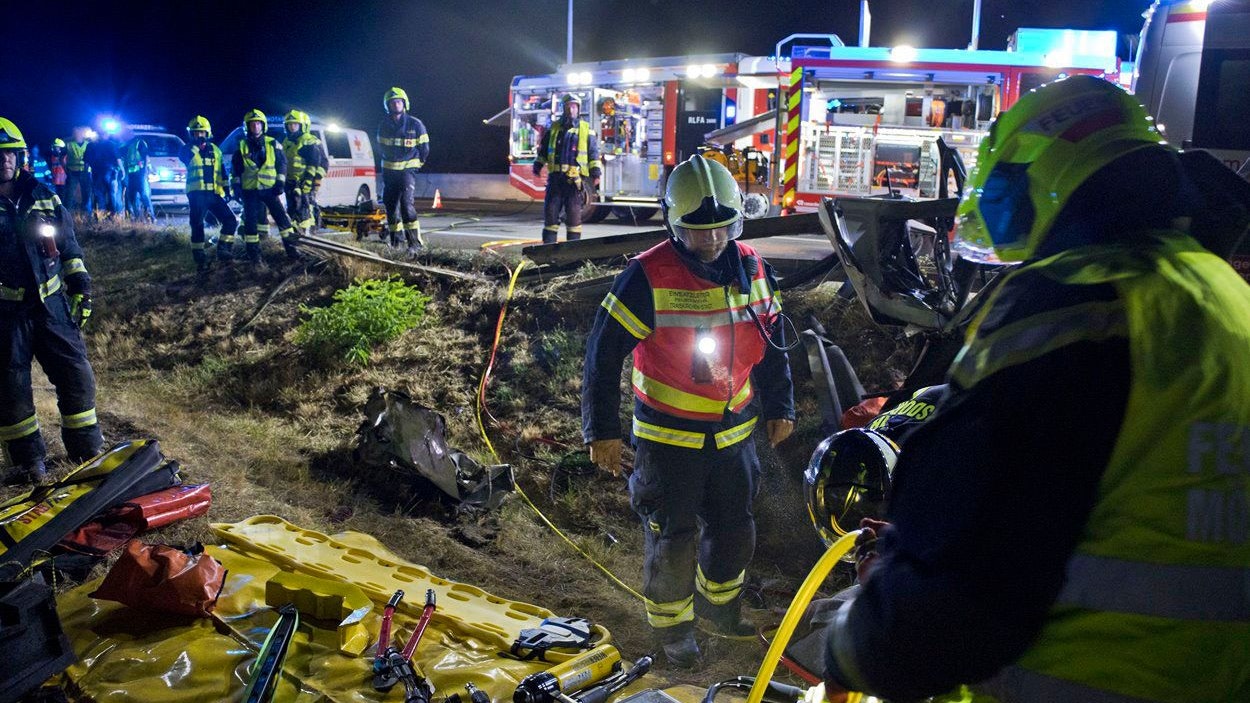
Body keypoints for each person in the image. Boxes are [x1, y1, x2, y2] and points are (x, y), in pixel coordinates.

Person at [821, 76, 1250, 702]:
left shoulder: (1076, 306)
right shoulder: (1218, 295)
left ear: (1052, 180)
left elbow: (965, 587)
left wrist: (856, 643)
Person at [582, 154, 795, 668]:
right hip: (667, 442)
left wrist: (781, 404)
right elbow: (602, 353)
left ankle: (721, 612)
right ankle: (673, 630)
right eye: (700, 232)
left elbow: (775, 340)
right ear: (675, 225)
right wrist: (602, 432)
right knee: (672, 537)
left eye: (723, 229)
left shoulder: (753, 267)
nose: (713, 241)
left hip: (734, 437)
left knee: (734, 530)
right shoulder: (645, 275)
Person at [0, 117, 103, 485]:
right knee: (10, 389)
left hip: (52, 305)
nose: (5, 160)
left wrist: (81, 286)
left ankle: (86, 450)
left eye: (10, 153)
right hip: (6, 314)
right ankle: (29, 462)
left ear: (20, 156)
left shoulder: (44, 194)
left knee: (76, 376)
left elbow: (69, 246)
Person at [231, 109, 297, 264]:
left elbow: (282, 164)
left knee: (283, 222)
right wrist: (236, 188)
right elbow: (236, 171)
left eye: (258, 123)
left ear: (263, 126)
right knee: (250, 226)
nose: (255, 127)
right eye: (252, 124)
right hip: (250, 191)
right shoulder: (241, 147)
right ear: (247, 126)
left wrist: (280, 182)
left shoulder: (273, 144)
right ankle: (255, 258)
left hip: (270, 190)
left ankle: (293, 252)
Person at [533, 94, 601, 244]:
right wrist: (537, 165)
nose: (571, 109)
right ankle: (548, 252)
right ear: (563, 108)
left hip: (574, 182)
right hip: (555, 180)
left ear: (578, 109)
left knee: (574, 219)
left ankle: (572, 253)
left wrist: (596, 173)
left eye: (574, 106)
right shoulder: (554, 128)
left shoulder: (585, 129)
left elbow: (593, 153)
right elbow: (544, 150)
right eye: (569, 106)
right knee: (551, 216)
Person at [179, 116, 238, 273]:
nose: (199, 135)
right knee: (197, 224)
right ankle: (200, 257)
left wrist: (227, 190)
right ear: (192, 134)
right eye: (196, 133)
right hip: (197, 194)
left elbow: (222, 172)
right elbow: (185, 159)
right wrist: (196, 147)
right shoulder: (187, 149)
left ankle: (223, 250)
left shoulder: (215, 150)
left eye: (202, 132)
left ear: (208, 133)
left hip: (214, 194)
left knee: (231, 221)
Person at [377, 87, 429, 256]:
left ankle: (415, 244)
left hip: (406, 173)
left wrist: (416, 165)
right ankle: (396, 242)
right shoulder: (384, 125)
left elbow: (424, 149)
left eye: (398, 102)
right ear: (388, 106)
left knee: (407, 206)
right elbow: (381, 147)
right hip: (389, 174)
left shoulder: (415, 124)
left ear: (404, 104)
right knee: (391, 207)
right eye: (392, 102)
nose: (396, 105)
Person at [282, 110, 326, 238]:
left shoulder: (308, 141)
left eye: (295, 124)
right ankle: (298, 234)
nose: (292, 127)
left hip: (304, 182)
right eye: (290, 124)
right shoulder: (286, 142)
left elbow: (316, 164)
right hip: (290, 182)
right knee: (293, 209)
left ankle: (308, 234)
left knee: (305, 207)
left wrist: (311, 181)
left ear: (303, 125)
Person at [84, 132, 122, 221]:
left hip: (96, 173)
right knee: (112, 194)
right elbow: (118, 159)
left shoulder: (91, 145)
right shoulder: (112, 144)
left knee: (99, 195)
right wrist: (122, 171)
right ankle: (113, 216)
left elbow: (86, 162)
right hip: (111, 172)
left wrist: (86, 174)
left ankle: (102, 216)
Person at [122, 131, 155, 222]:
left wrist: (144, 172)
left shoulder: (139, 143)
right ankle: (138, 218)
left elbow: (146, 158)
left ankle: (151, 217)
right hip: (131, 175)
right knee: (132, 196)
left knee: (144, 195)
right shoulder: (127, 145)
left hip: (140, 174)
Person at [65, 129, 92, 215]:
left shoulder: (88, 144)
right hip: (73, 171)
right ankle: (67, 213)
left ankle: (87, 213)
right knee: (70, 193)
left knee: (86, 193)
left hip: (85, 171)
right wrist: (66, 169)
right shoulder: (69, 144)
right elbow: (63, 159)